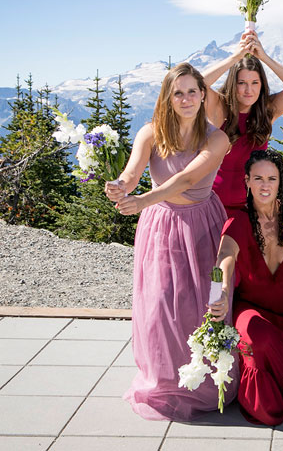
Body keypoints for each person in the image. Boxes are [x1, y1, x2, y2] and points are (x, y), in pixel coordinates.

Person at [105, 62, 236, 421]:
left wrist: (143, 199)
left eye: (193, 91)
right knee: (161, 303)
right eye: (178, 92)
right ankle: (163, 380)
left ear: (203, 94)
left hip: (202, 225)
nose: (187, 98)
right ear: (168, 96)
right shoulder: (150, 133)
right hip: (161, 227)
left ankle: (206, 381)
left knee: (201, 302)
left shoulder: (217, 138)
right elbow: (132, 173)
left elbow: (187, 179)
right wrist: (121, 187)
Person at [208, 149, 283, 426]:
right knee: (258, 337)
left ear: (280, 183)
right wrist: (223, 292)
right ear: (247, 181)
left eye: (272, 179)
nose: (265, 185)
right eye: (258, 178)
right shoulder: (238, 221)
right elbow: (224, 257)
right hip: (252, 311)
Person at [203, 29, 283, 211]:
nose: (248, 90)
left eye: (254, 83)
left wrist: (264, 57)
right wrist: (235, 58)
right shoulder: (219, 108)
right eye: (242, 83)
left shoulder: (266, 110)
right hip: (214, 206)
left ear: (262, 84)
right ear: (233, 84)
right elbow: (196, 85)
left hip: (251, 208)